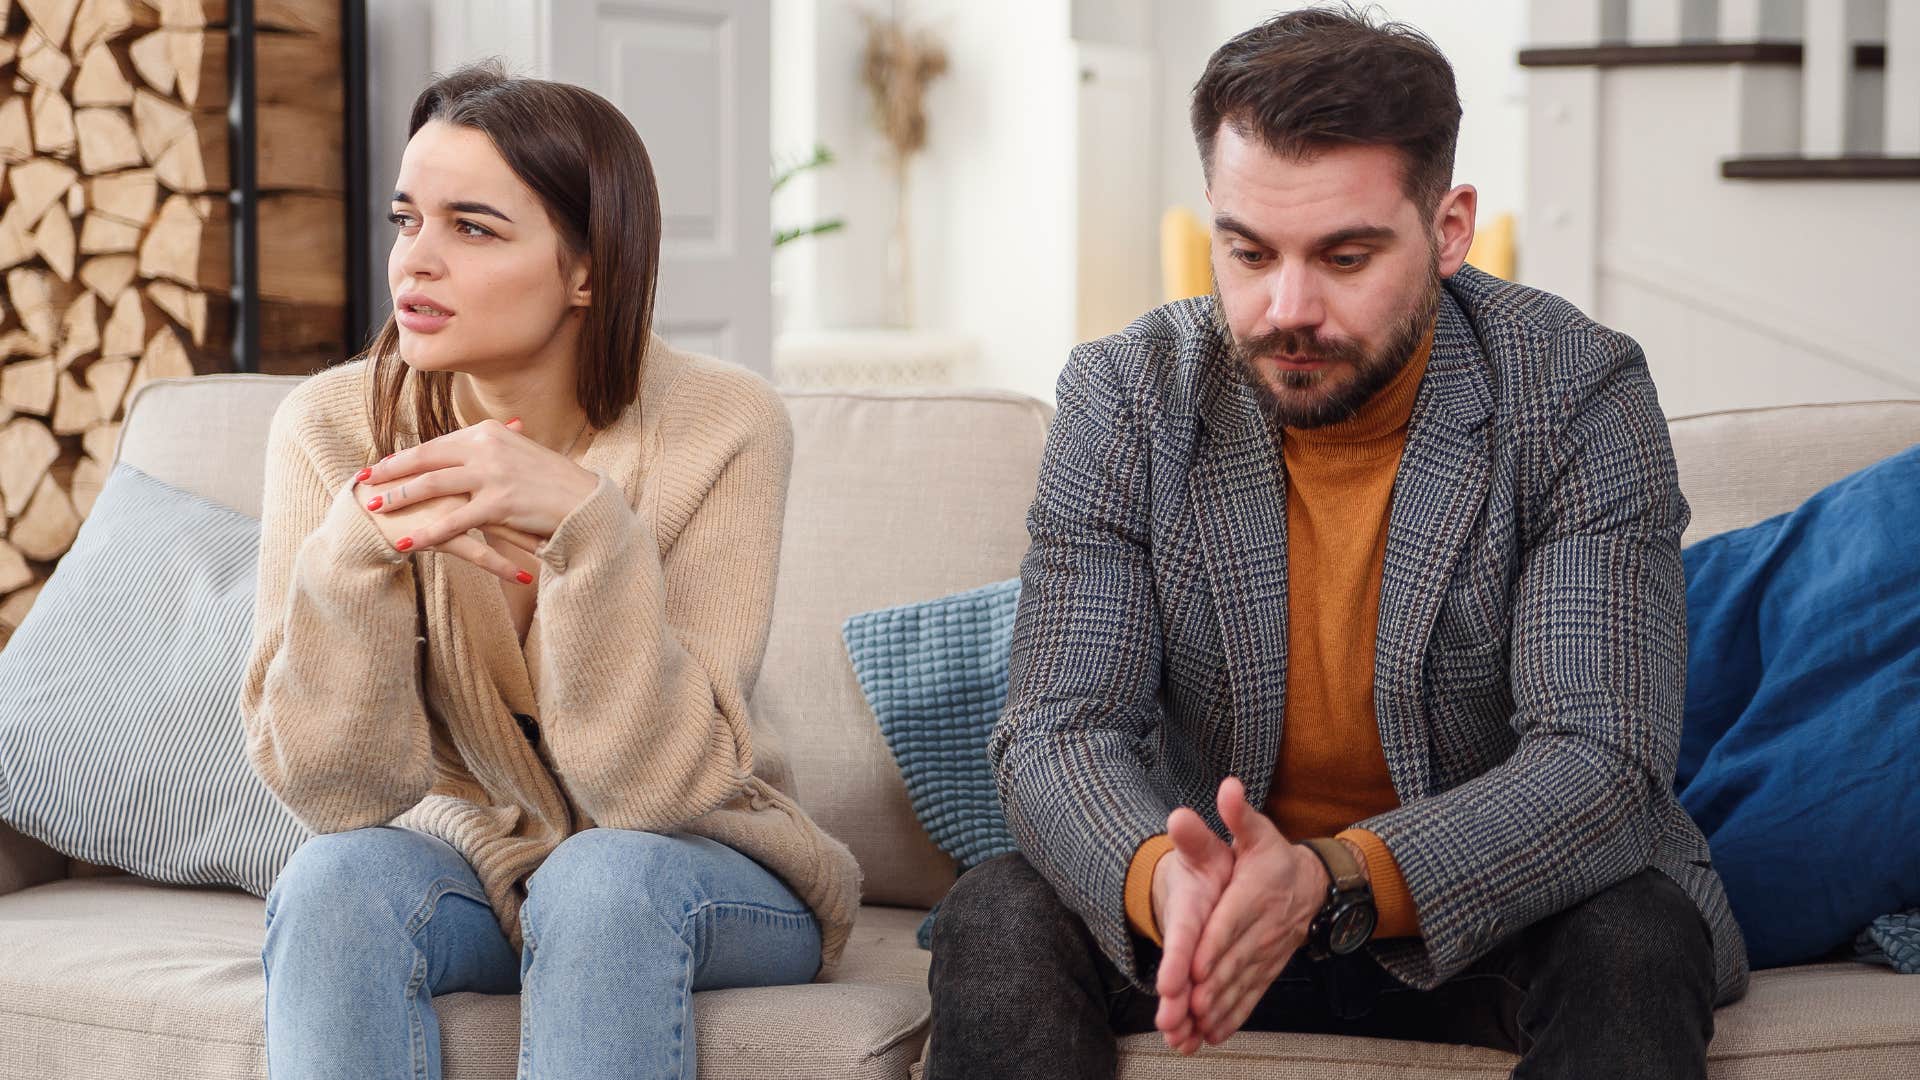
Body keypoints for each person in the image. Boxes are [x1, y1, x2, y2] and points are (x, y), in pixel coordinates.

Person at [925, 9, 1747, 1079]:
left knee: (1634, 937)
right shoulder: (1128, 395)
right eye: (1249, 251)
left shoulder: (1577, 392)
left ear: (1448, 229)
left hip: (1482, 917)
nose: (1287, 308)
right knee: (997, 910)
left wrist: (1329, 876)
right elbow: (1058, 729)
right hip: (1204, 917)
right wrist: (1162, 882)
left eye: (1345, 255)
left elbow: (1597, 760)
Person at [240, 61, 859, 1080]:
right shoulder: (329, 427)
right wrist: (353, 557)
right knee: (333, 880)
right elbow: (336, 793)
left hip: (703, 862)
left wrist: (593, 536)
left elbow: (653, 791)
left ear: (587, 267)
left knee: (603, 879)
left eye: (472, 227)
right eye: (408, 220)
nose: (416, 265)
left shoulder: (726, 425)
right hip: (479, 863)